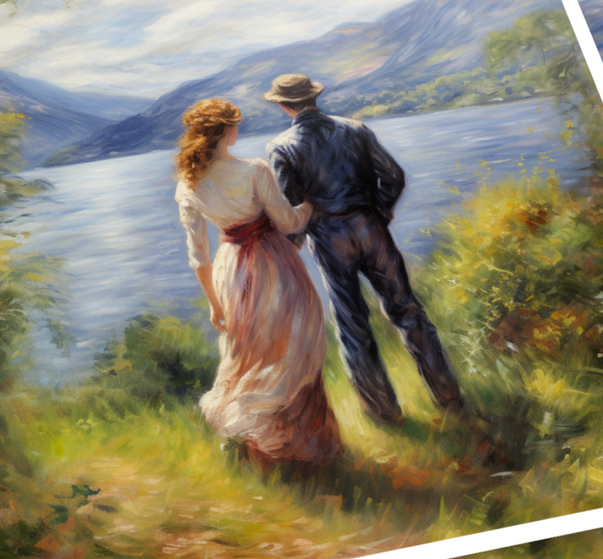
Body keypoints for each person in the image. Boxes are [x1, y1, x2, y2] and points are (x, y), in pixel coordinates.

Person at [263, 73, 465, 428]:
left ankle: (384, 413)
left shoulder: (282, 146)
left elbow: (291, 209)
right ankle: (448, 395)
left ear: (283, 105)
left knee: (352, 325)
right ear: (314, 97)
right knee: (407, 311)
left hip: (328, 238)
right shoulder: (355, 129)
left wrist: (294, 244)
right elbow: (394, 176)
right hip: (371, 228)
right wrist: (379, 213)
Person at [174, 97, 341, 468]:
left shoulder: (188, 186)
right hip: (271, 265)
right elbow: (290, 223)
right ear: (226, 131)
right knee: (293, 342)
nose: (238, 129)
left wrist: (215, 305)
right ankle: (305, 445)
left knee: (249, 352)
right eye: (235, 124)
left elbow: (199, 256)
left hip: (230, 271)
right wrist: (311, 203)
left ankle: (258, 447)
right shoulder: (254, 170)